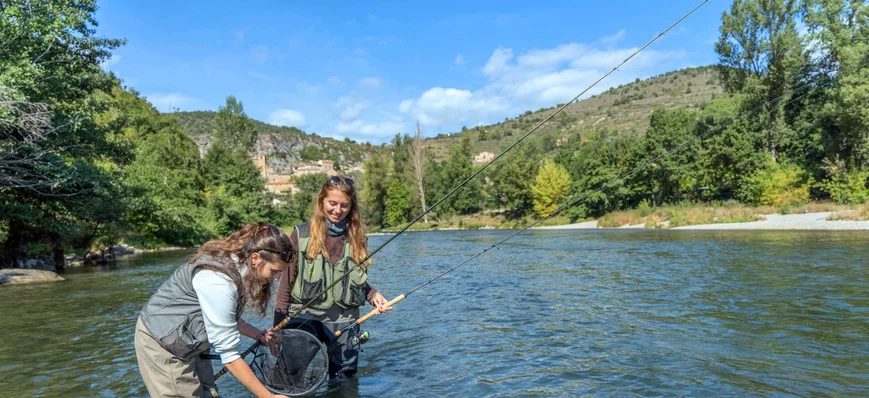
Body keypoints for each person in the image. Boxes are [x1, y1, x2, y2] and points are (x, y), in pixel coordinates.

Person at [135, 222, 293, 398]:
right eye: (275, 271)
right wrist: (268, 396)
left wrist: (258, 334)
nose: (277, 279)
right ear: (255, 258)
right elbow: (230, 356)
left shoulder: (240, 267)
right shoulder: (219, 282)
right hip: (163, 344)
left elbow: (227, 318)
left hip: (190, 341)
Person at [274, 175, 392, 379]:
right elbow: (286, 285)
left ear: (351, 207)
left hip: (345, 319)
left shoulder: (358, 238)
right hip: (304, 318)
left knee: (344, 382)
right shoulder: (300, 235)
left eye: (344, 205)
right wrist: (277, 328)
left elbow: (351, 278)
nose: (337, 210)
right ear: (321, 202)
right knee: (287, 378)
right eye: (332, 203)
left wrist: (372, 295)